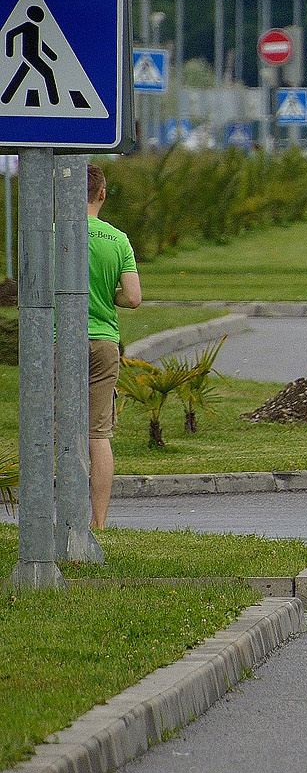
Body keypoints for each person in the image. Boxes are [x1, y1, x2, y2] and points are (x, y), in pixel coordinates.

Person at [86, 164, 140, 529]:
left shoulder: (50, 232)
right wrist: (108, 294)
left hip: (58, 340)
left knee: (60, 431)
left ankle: (60, 516)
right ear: (102, 194)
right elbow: (133, 298)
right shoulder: (118, 240)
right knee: (98, 434)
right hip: (104, 342)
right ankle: (99, 522)